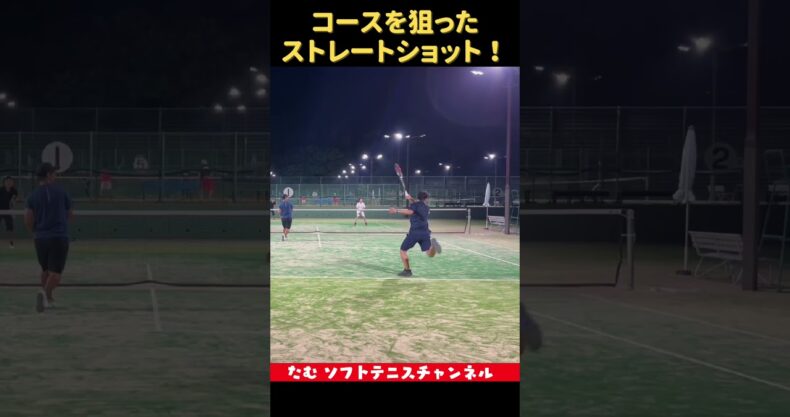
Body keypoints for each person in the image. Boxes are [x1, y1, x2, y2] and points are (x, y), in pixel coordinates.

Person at [25, 163, 73, 313]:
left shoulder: (32, 195)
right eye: (54, 173)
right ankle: (44, 295)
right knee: (56, 274)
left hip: (40, 239)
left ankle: (49, 298)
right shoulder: (61, 192)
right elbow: (70, 214)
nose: (55, 176)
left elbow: (28, 219)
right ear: (48, 175)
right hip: (58, 237)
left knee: (45, 270)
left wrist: (35, 233)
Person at [388, 191, 441, 277]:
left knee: (403, 250)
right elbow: (417, 205)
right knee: (429, 253)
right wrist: (411, 198)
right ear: (426, 198)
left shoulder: (415, 205)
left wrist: (396, 210)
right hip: (425, 232)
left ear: (418, 197)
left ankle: (407, 271)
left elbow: (410, 211)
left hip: (415, 233)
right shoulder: (426, 207)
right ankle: (433, 247)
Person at [0, 176, 19, 248]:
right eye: (7, 181)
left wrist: (13, 202)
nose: (8, 183)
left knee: (10, 228)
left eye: (10, 181)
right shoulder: (1, 190)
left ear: (12, 183)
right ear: (4, 182)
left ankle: (11, 243)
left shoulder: (14, 191)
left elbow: (13, 200)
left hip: (8, 211)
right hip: (0, 210)